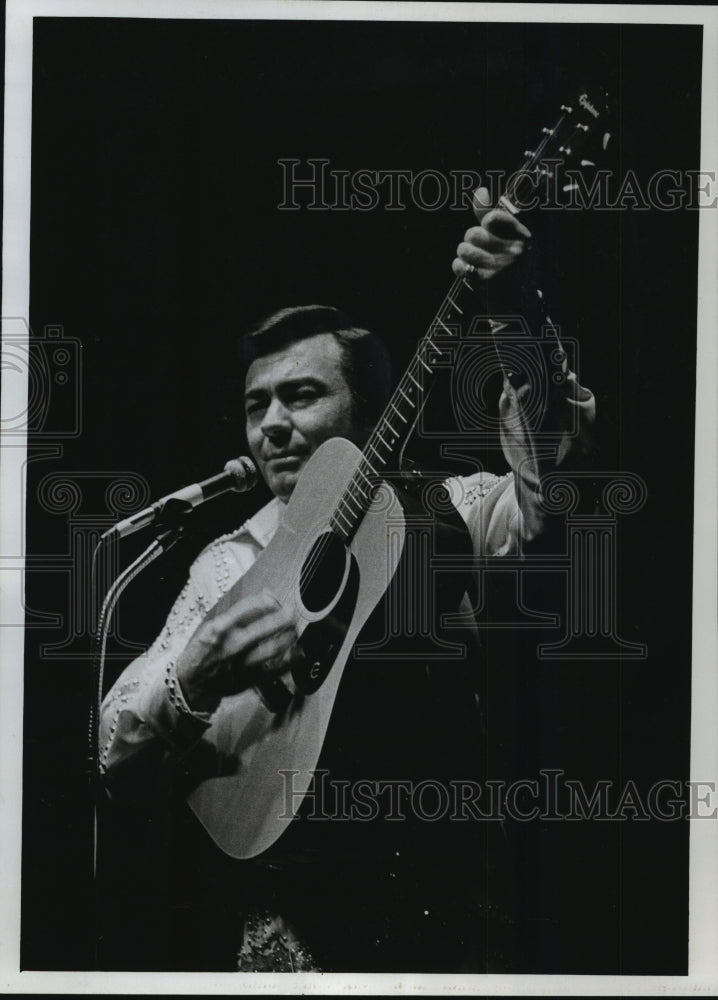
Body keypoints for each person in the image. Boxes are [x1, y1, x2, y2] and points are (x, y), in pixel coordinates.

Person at [98, 189, 595, 972]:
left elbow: (550, 496)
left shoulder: (447, 508)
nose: (272, 424)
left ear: (364, 414)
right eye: (256, 404)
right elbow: (113, 742)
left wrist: (515, 313)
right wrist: (192, 676)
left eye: (301, 395)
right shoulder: (230, 559)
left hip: (454, 901)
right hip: (296, 926)